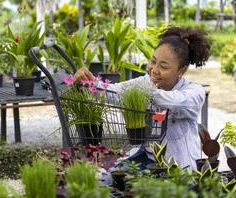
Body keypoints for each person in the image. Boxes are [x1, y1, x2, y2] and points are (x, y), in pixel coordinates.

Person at [74, 27, 210, 170]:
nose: (154, 70)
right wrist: (90, 82)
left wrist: (141, 92)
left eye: (164, 66)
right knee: (110, 177)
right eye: (153, 61)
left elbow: (175, 102)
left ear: (181, 70)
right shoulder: (146, 82)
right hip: (148, 158)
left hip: (178, 167)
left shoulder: (194, 92)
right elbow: (115, 93)